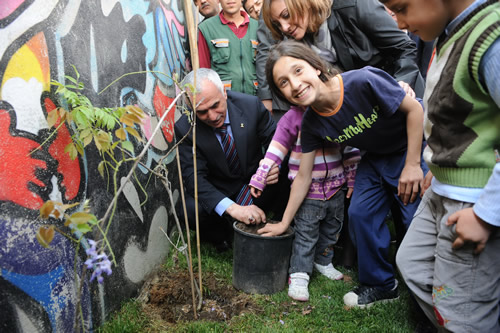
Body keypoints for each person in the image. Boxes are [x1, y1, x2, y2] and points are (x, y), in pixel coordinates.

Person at [265, 40, 428, 308]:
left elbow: (415, 109)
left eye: (297, 71)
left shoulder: (362, 81)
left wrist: (413, 164)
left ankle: (434, 288)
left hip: (411, 145)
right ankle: (382, 285)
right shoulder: (312, 124)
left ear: (316, 67)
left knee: (416, 219)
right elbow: (303, 177)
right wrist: (284, 223)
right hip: (374, 157)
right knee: (360, 213)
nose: (294, 85)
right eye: (283, 83)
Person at [382, 0, 500, 330]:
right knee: (412, 265)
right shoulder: (449, 32)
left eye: (401, 7)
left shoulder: (490, 37)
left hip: (474, 200)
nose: (399, 22)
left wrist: (487, 213)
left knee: (462, 310)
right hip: (441, 189)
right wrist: (435, 167)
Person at [248, 102, 361, 301]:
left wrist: (351, 177)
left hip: (336, 189)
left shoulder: (335, 110)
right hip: (307, 193)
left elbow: (350, 147)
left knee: (332, 229)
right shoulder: (292, 118)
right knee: (305, 235)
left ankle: (323, 260)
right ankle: (299, 273)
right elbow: (275, 149)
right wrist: (261, 175)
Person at [175, 68, 288, 251]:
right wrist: (233, 209)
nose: (212, 116)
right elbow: (193, 178)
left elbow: (278, 142)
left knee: (290, 173)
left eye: (215, 105)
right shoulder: (185, 128)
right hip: (220, 188)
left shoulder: (251, 106)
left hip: (257, 183)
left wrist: (274, 164)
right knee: (189, 210)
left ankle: (282, 225)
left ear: (224, 93)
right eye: (202, 112)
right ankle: (222, 236)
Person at [256, 0, 425, 116]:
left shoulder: (352, 5)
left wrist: (401, 83)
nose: (284, 27)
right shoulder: (295, 42)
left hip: (404, 96)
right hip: (366, 113)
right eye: (277, 24)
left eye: (286, 15)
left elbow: (405, 47)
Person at [198, 0, 259, 95]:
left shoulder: (258, 27)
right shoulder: (206, 28)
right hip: (225, 100)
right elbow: (204, 72)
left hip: (255, 98)